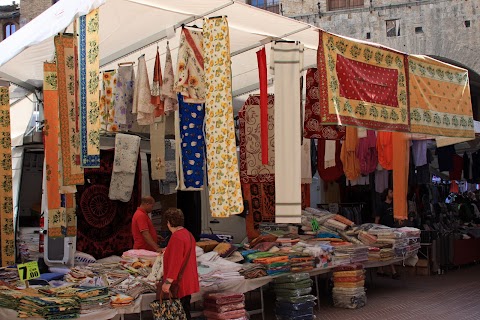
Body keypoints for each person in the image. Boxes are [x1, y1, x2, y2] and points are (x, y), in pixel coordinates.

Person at [161, 208, 199, 320]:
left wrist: (168, 282)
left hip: (180, 282)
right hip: (188, 279)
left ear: (169, 222)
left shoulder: (176, 237)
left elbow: (175, 262)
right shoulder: (188, 234)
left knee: (180, 313)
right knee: (185, 310)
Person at [375, 188, 400, 280]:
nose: (393, 193)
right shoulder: (381, 206)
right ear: (387, 194)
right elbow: (377, 219)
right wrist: (376, 230)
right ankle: (393, 271)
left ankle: (380, 270)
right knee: (387, 250)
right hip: (383, 231)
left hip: (392, 230)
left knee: (386, 250)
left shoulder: (394, 205)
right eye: (391, 192)